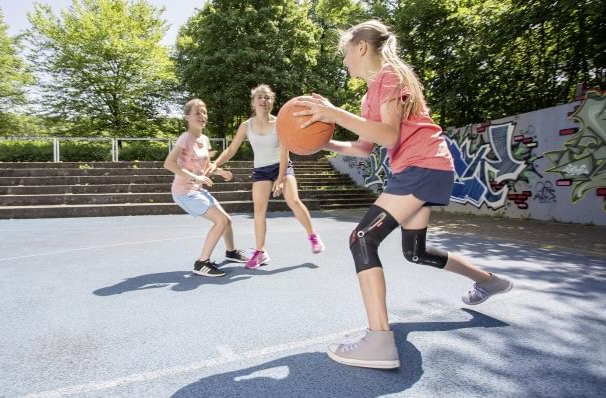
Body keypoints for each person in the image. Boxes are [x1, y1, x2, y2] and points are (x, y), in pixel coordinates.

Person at [293, 20, 513, 369]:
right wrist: (323, 141)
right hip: (424, 169)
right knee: (416, 251)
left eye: (345, 51)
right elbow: (367, 146)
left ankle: (379, 340)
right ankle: (489, 281)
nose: (343, 59)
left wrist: (333, 112)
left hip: (421, 167)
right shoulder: (370, 95)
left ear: (361, 47)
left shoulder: (389, 76)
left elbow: (390, 136)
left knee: (362, 238)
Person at [208, 84, 325, 269]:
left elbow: (284, 152)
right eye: (260, 97)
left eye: (267, 97)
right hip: (261, 170)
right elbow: (231, 150)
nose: (264, 100)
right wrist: (216, 164)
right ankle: (260, 252)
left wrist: (280, 179)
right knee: (259, 209)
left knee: (293, 200)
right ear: (253, 102)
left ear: (272, 101)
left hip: (282, 166)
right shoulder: (246, 126)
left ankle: (313, 236)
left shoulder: (280, 122)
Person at [164, 98, 249, 277]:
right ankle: (202, 263)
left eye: (204, 113)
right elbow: (169, 163)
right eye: (197, 113)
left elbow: (206, 167)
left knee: (227, 221)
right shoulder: (185, 138)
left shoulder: (204, 139)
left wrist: (220, 172)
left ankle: (231, 253)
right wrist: (195, 177)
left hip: (198, 190)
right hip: (184, 192)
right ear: (187, 117)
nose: (202, 116)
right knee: (221, 221)